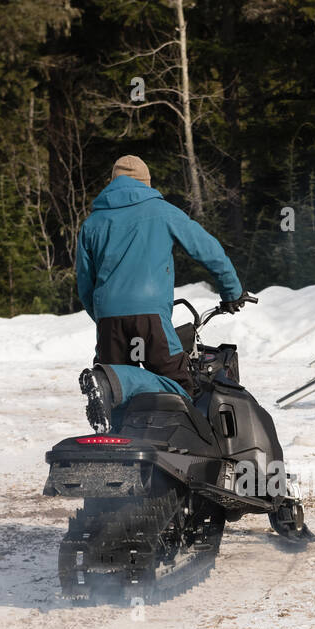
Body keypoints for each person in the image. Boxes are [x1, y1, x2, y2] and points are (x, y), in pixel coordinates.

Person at [76, 155, 244, 429]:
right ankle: (180, 453)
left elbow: (85, 283)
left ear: (112, 183)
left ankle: (117, 449)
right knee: (180, 386)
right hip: (149, 314)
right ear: (146, 183)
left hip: (108, 317)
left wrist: (104, 316)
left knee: (115, 401)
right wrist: (231, 290)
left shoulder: (93, 222)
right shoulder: (162, 211)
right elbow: (208, 250)